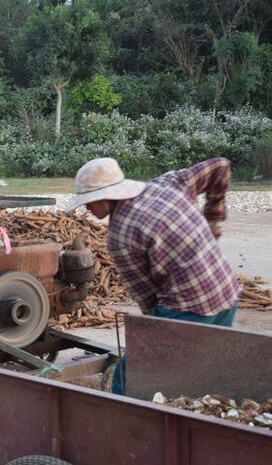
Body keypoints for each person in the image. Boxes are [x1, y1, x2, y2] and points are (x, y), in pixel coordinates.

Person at [65, 157, 240, 393]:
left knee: (130, 375)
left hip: (188, 308)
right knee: (204, 372)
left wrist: (152, 343)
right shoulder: (168, 183)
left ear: (106, 197)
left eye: (89, 202)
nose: (86, 208)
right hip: (227, 295)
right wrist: (213, 220)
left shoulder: (120, 236)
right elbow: (220, 166)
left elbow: (147, 299)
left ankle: (126, 421)